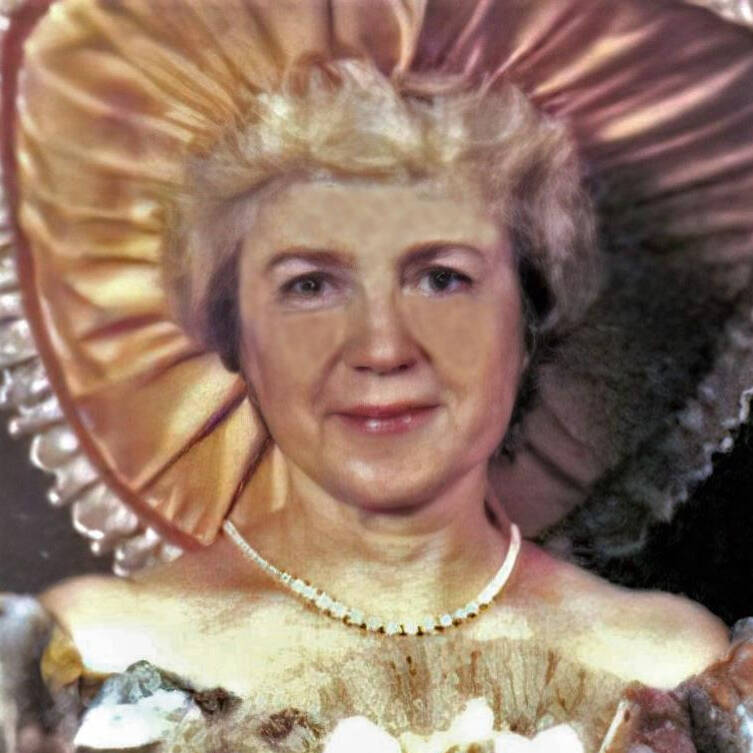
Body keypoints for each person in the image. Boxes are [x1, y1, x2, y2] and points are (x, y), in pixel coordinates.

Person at [2, 1, 753, 751]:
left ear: (527, 317)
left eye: (441, 278)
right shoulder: (98, 656)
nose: (382, 346)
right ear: (233, 331)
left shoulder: (663, 667)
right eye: (310, 285)